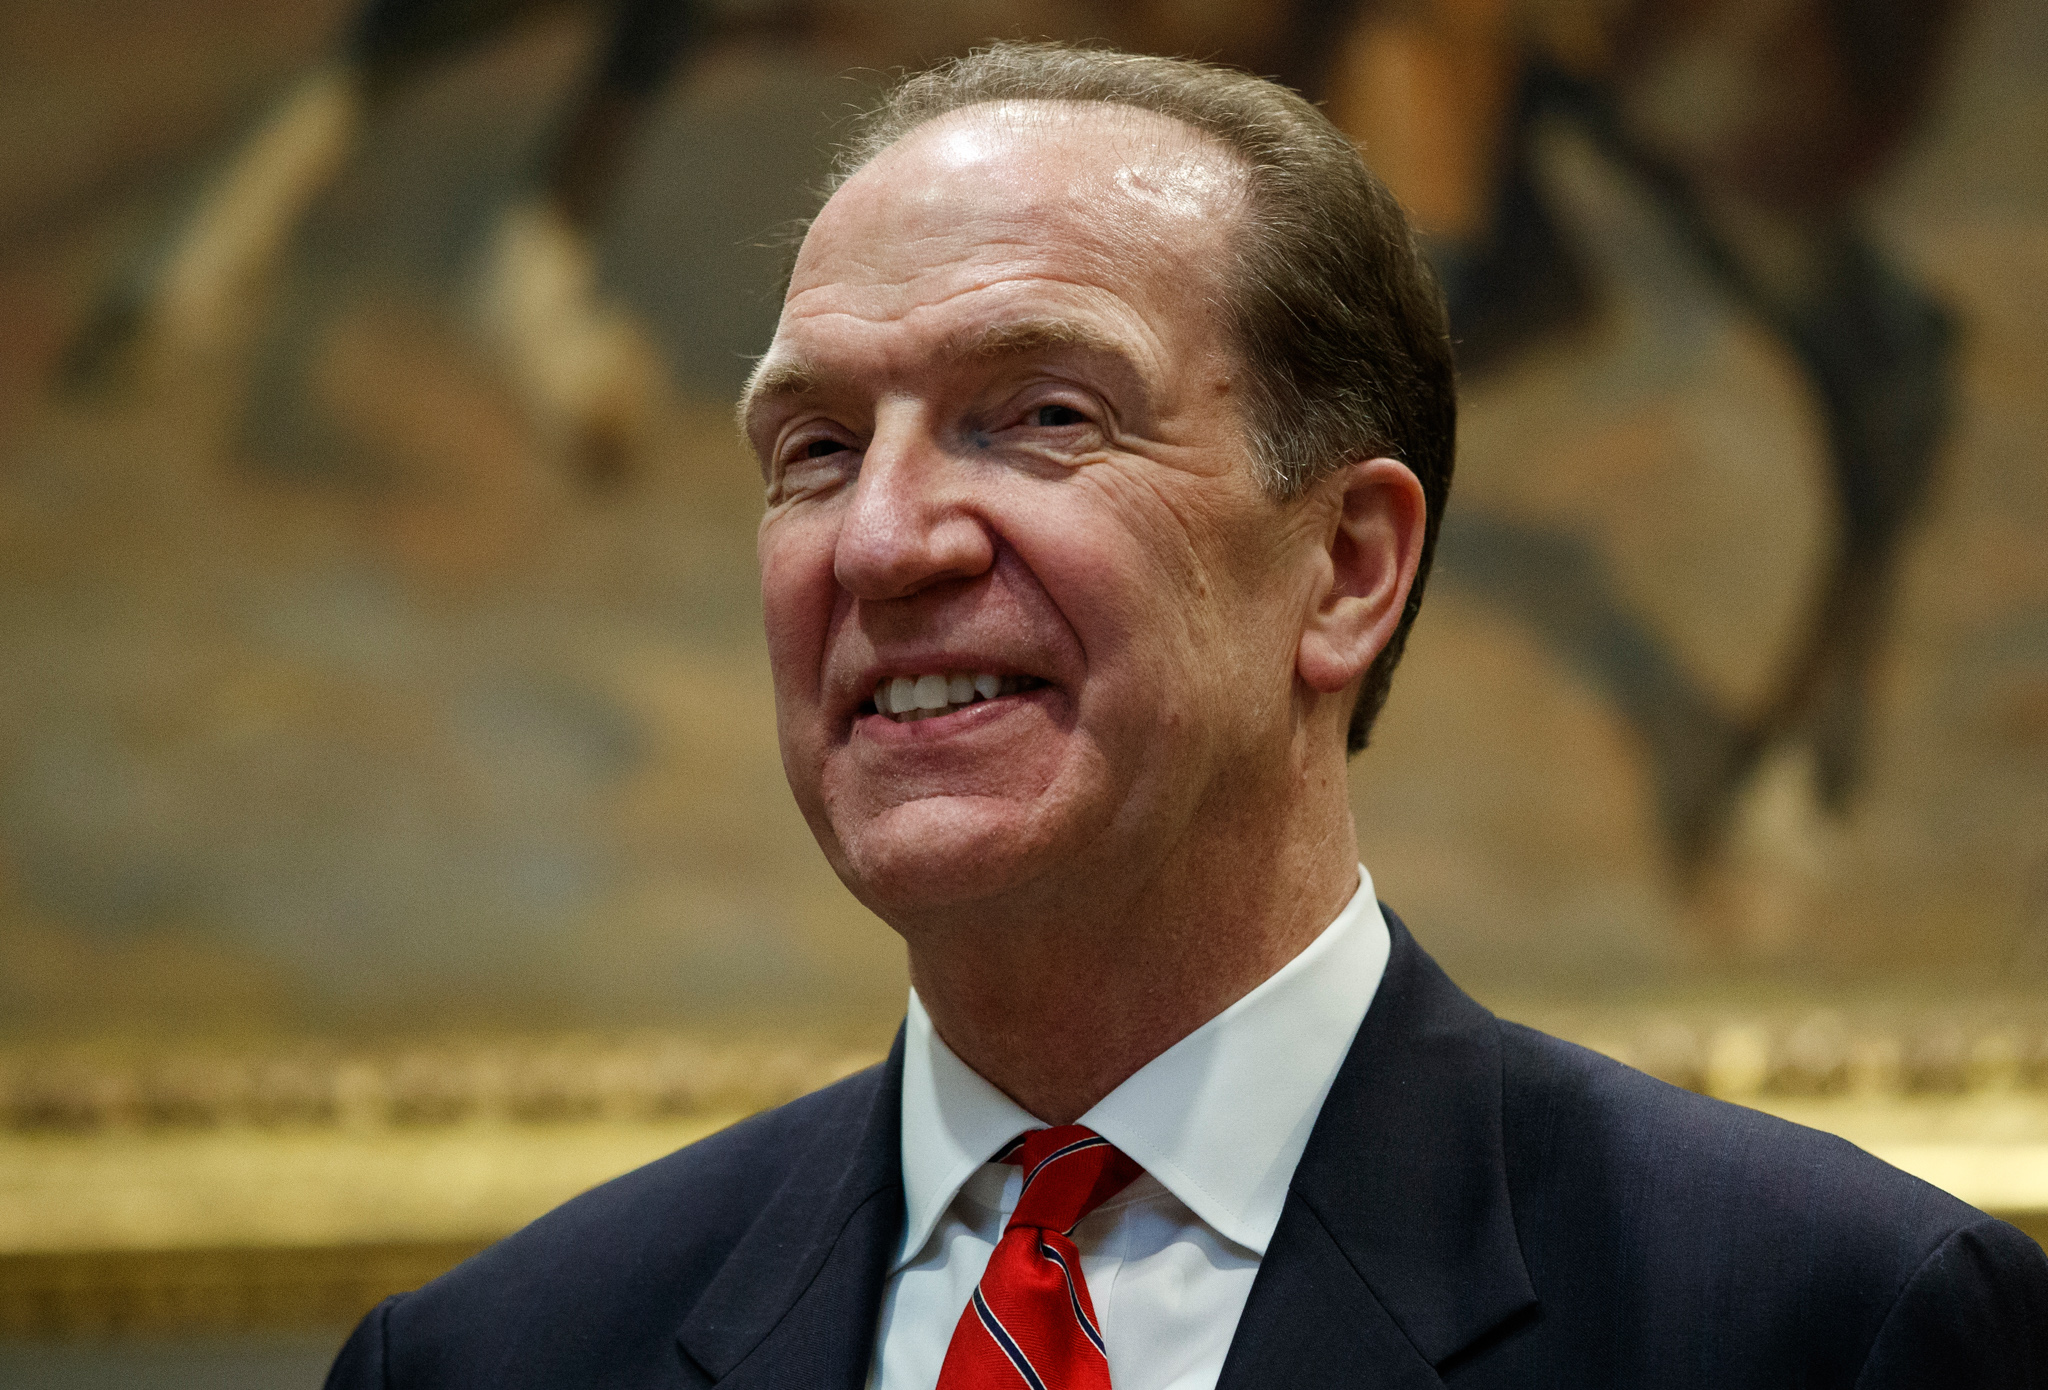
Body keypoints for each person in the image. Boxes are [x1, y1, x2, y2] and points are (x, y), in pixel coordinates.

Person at [325, 40, 2048, 1390]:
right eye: (819, 448)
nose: (882, 539)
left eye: (1042, 417)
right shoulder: (495, 1362)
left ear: (1348, 568)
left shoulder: (1823, 1327)